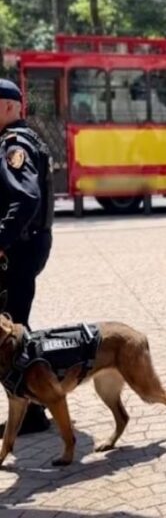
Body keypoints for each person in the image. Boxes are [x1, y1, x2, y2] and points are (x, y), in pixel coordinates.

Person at [0, 78, 54, 435]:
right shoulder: (28, 138)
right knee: (15, 327)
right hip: (26, 245)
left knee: (11, 332)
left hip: (17, 249)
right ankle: (34, 407)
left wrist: (0, 238)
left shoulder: (14, 143)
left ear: (7, 107)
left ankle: (33, 411)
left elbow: (26, 198)